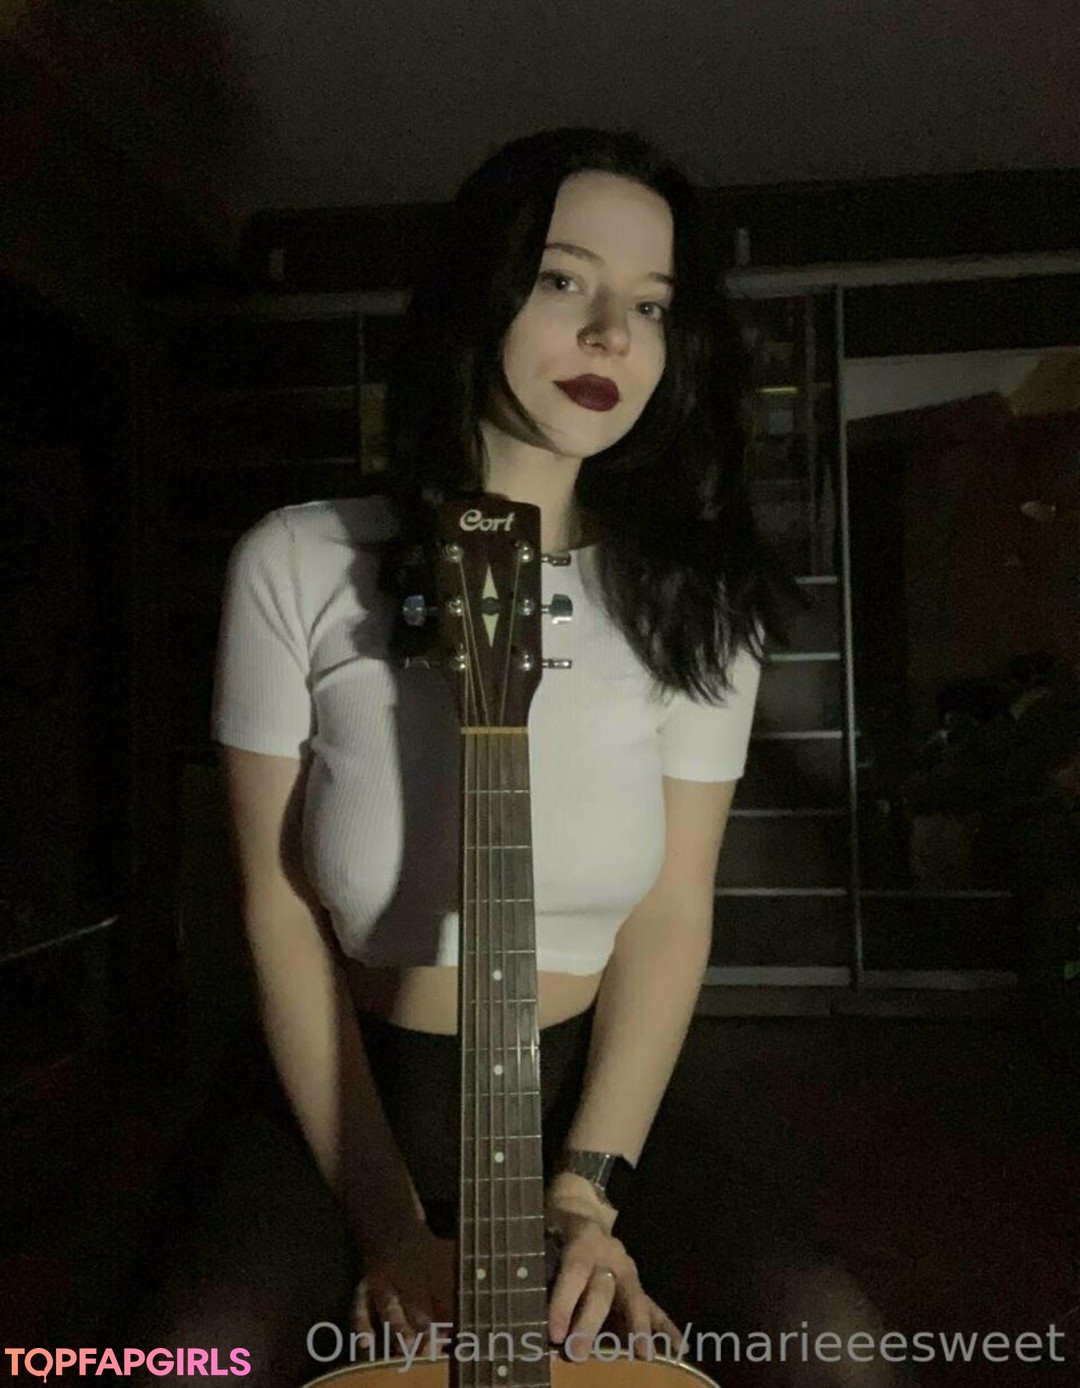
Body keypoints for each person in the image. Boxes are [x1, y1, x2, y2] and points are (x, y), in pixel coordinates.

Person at [123, 128, 901, 1387]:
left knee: (832, 1341)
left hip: (582, 1090)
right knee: (184, 1359)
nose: (610, 335)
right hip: (346, 1085)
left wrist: (585, 1192)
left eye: (651, 304)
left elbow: (673, 908)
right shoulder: (297, 561)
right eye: (563, 279)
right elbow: (274, 904)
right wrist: (387, 1221)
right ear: (479, 291)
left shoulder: (694, 601)